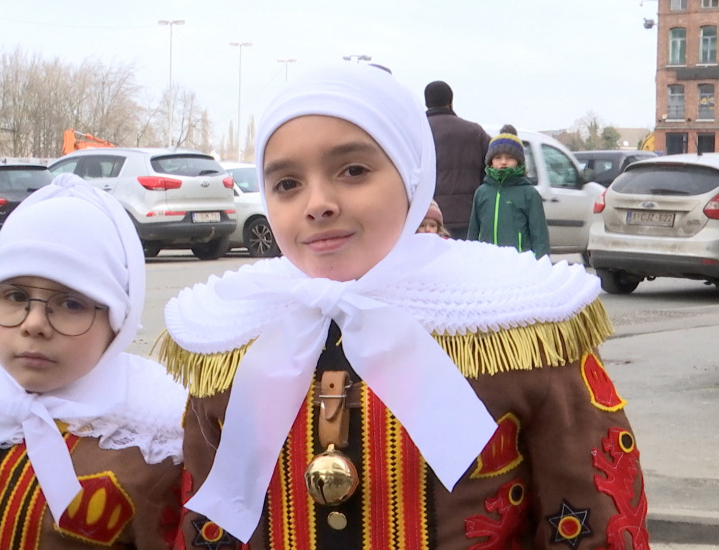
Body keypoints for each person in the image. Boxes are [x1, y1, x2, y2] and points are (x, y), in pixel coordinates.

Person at [162, 65, 648, 549]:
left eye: (353, 171)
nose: (318, 204)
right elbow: (207, 525)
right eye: (287, 183)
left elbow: (594, 525)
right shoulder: (231, 331)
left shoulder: (517, 321)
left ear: (413, 175)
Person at [0, 174, 187, 550]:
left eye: (70, 303)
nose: (34, 324)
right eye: (14, 295)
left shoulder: (152, 450)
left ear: (116, 322)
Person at [468, 124, 550, 259]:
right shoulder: (482, 193)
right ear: (490, 161)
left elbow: (540, 237)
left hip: (518, 265)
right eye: (498, 157)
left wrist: (540, 263)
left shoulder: (529, 194)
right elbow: (473, 233)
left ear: (519, 161)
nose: (503, 162)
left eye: (509, 158)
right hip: (487, 263)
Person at [424, 80, 491, 239]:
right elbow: (493, 164)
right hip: (468, 215)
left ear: (426, 103)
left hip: (429, 219)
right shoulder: (475, 132)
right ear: (451, 101)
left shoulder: (418, 132)